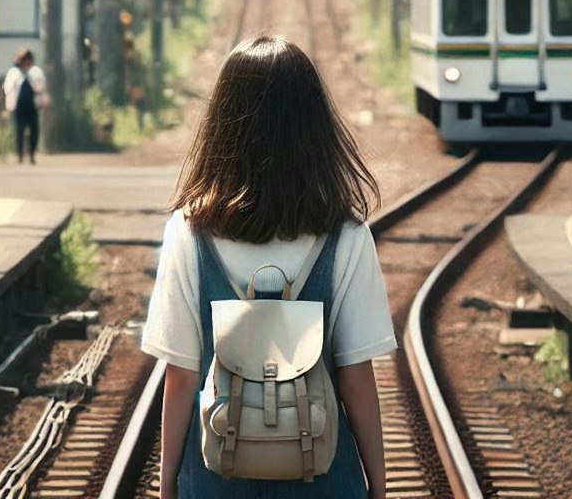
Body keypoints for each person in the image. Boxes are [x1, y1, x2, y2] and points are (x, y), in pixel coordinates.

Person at [142, 36, 396, 499]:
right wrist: (378, 486)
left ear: (222, 124)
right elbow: (356, 375)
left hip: (215, 479)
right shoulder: (346, 236)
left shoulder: (188, 231)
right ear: (315, 127)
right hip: (322, 480)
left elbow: (180, 376)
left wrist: (168, 486)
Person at [2, 49, 48, 163]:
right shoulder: (14, 73)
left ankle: (32, 154)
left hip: (32, 106)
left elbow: (40, 88)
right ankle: (20, 156)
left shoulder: (36, 72)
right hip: (20, 106)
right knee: (19, 131)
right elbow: (9, 89)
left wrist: (42, 100)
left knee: (34, 131)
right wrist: (9, 105)